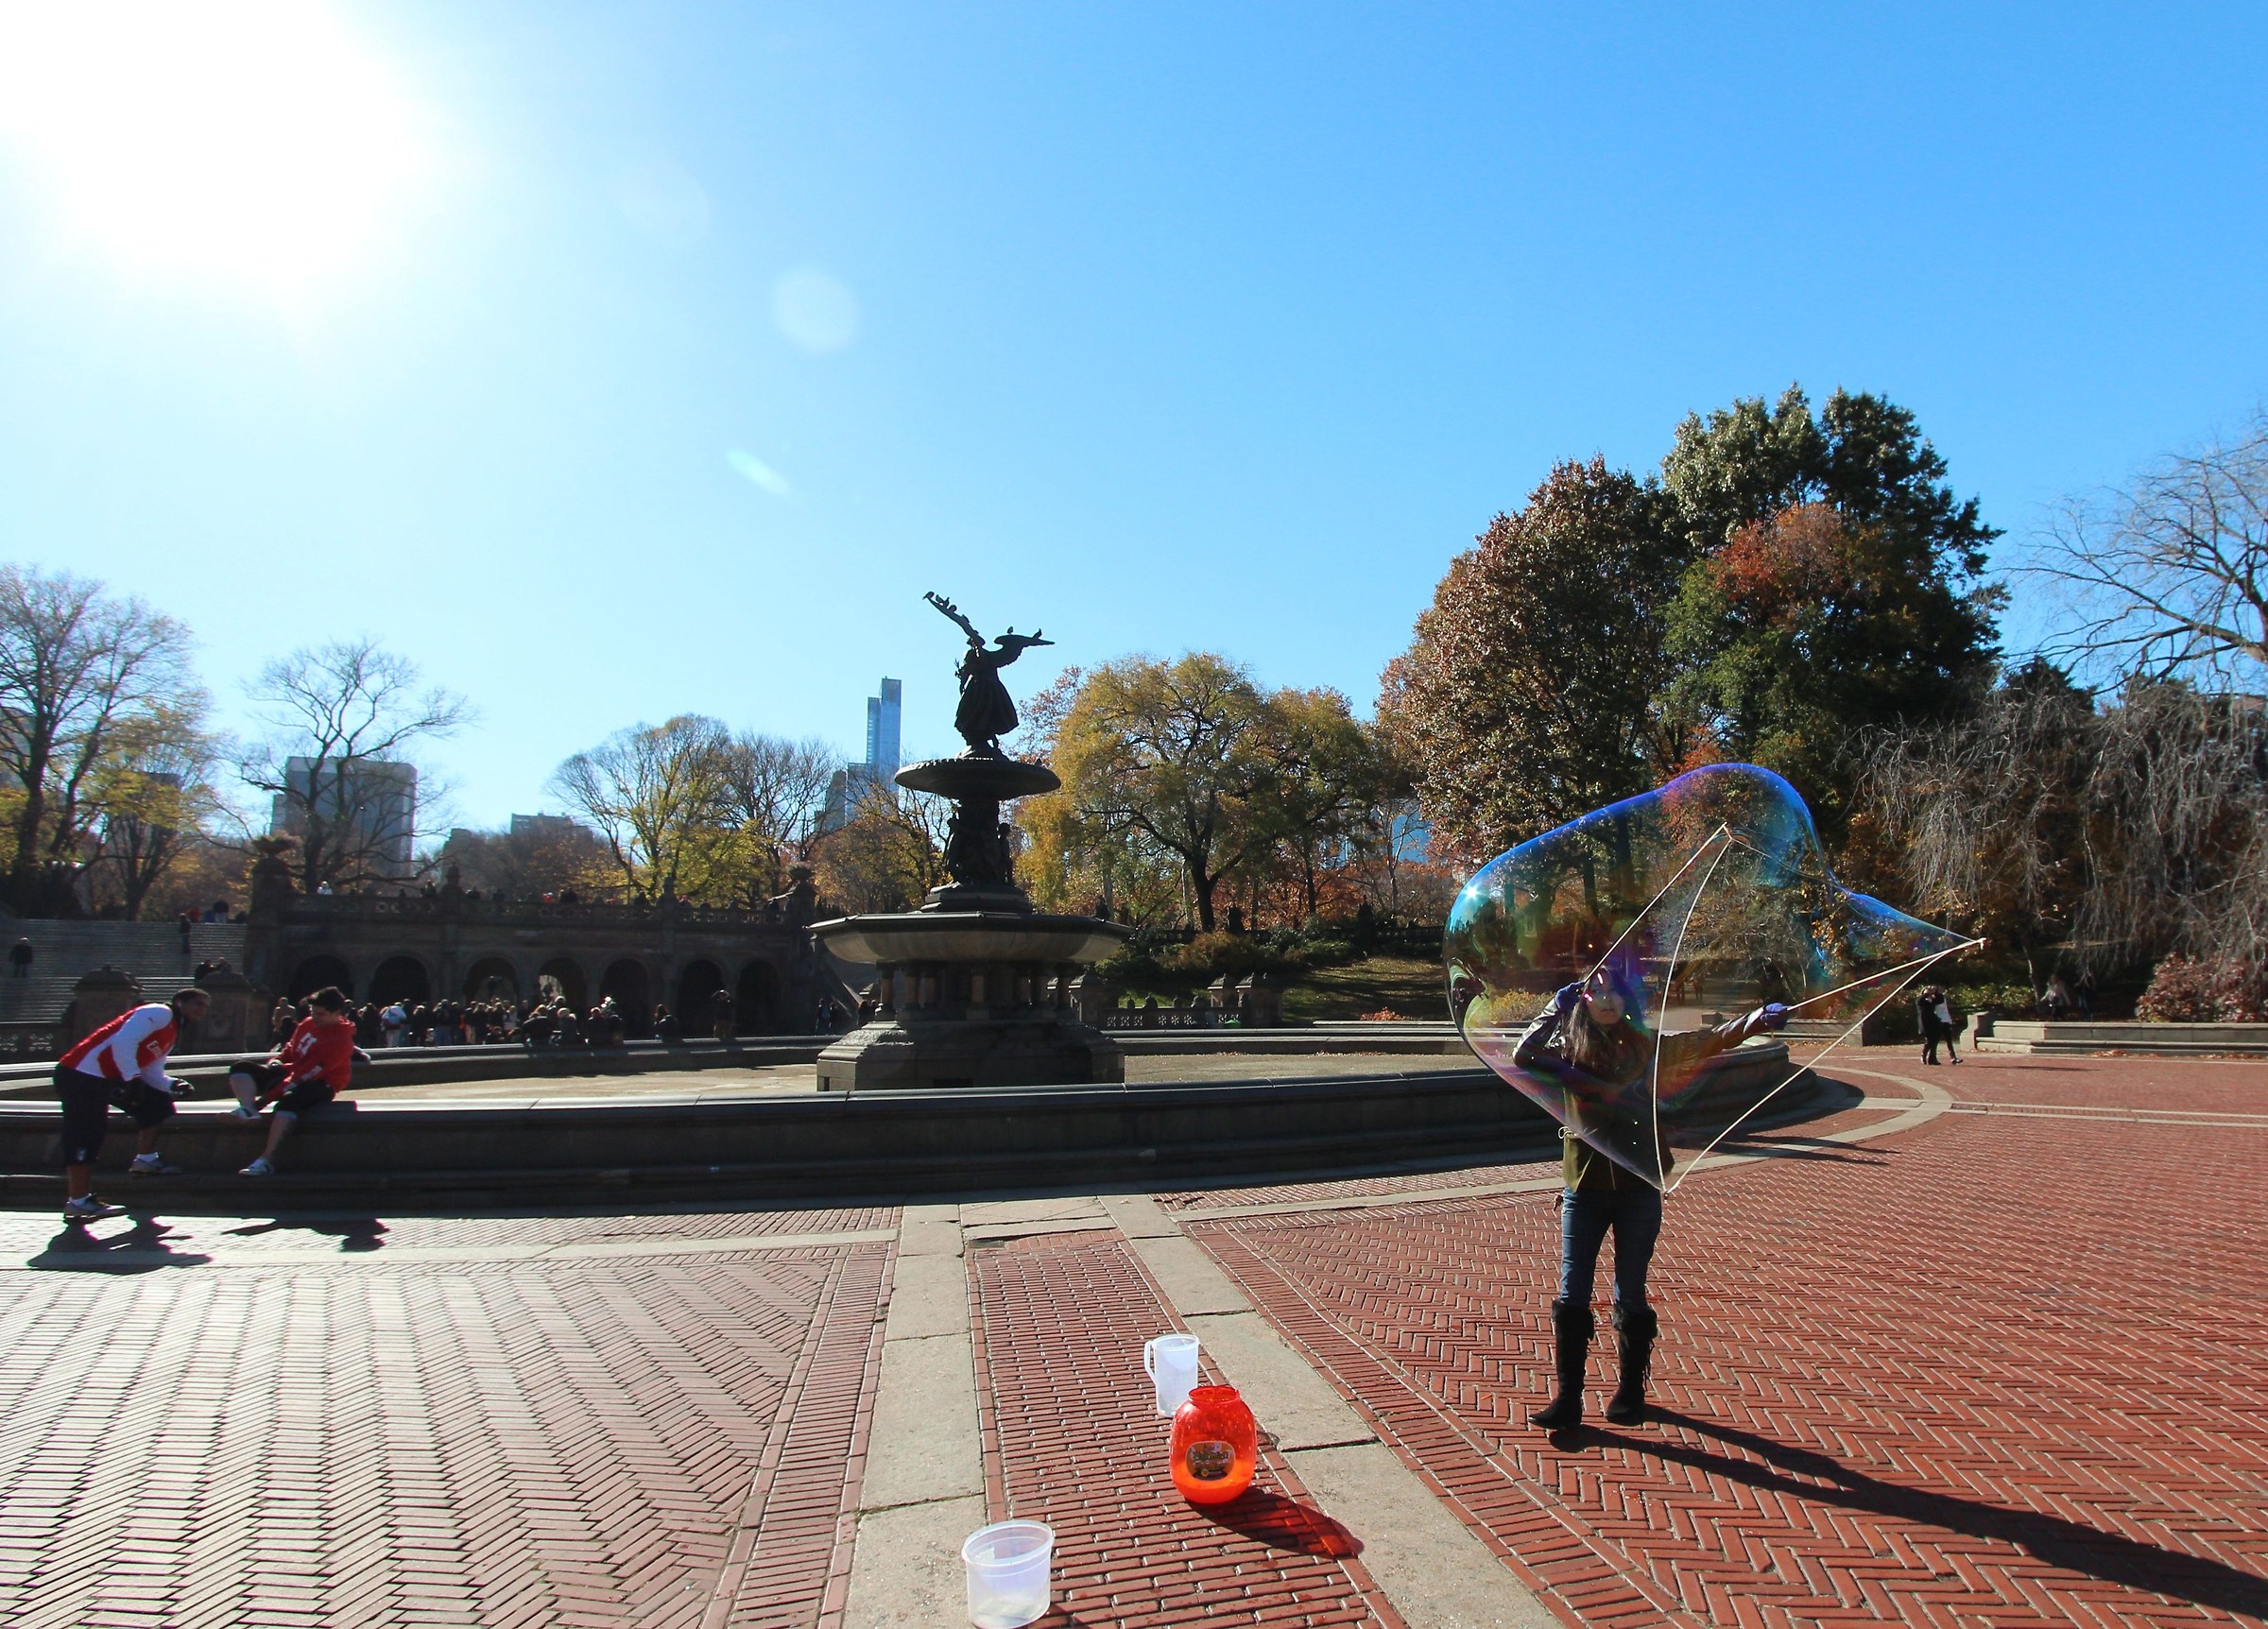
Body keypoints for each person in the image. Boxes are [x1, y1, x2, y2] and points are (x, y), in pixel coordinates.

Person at [1513, 964, 1787, 1429]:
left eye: (1613, 992)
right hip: (1584, 1189)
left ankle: (1630, 1390)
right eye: (1593, 990)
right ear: (1581, 999)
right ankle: (1569, 1399)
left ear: (1626, 1001)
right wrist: (1550, 1011)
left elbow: (1708, 1040)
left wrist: (1757, 1020)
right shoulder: (1569, 1053)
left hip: (1639, 1189)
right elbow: (1523, 1056)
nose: (1604, 999)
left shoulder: (1648, 1051)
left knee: (1630, 1289)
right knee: (1572, 1292)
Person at [52, 986, 211, 1221]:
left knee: (156, 1103)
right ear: (179, 1002)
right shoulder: (159, 1012)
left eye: (205, 1006)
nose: (202, 1010)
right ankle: (78, 1201)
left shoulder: (172, 1032)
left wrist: (172, 1085)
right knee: (85, 1134)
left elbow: (152, 1071)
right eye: (197, 1003)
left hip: (108, 1077)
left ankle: (145, 1160)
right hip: (81, 1074)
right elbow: (124, 1041)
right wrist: (132, 1078)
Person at [230, 985, 355, 1178]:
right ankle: (248, 1111)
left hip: (320, 1083)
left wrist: (263, 1101)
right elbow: (290, 1050)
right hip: (291, 1071)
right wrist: (276, 1061)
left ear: (337, 1013)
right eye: (313, 1012)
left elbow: (305, 1075)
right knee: (241, 1068)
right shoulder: (307, 1023)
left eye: (320, 1014)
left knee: (288, 1102)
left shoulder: (340, 1042)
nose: (314, 1018)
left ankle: (266, 1159)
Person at [1916, 986, 1947, 1065]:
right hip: (1925, 1022)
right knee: (1929, 1040)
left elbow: (1940, 1000)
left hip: (1933, 1022)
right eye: (1927, 991)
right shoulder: (1920, 1001)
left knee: (1935, 1040)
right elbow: (1919, 1001)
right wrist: (1926, 994)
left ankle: (1932, 1058)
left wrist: (1936, 992)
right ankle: (1923, 1055)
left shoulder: (1931, 1000)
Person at [1933, 988, 1961, 1064]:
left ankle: (1953, 1057)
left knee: (1949, 1040)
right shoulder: (1933, 999)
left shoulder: (1942, 998)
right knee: (1935, 1040)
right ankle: (1932, 1056)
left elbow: (1945, 1010)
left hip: (1945, 1020)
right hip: (1938, 1021)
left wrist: (1949, 1019)